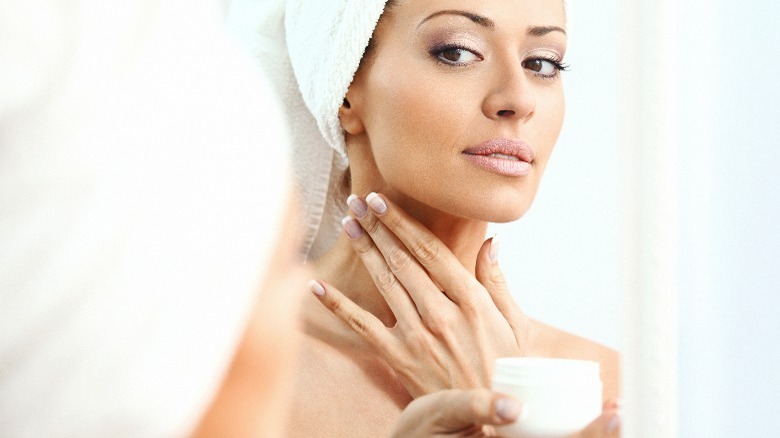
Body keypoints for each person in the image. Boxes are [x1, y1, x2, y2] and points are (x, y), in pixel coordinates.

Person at [255, 0, 621, 436]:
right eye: (457, 52)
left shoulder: (609, 390)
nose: (519, 99)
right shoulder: (225, 364)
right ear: (346, 89)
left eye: (541, 63)